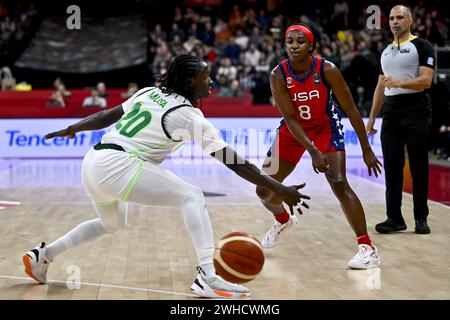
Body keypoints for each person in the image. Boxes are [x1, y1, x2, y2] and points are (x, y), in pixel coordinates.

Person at [23, 54, 310, 298]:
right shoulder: (188, 116)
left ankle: (44, 254)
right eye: (205, 77)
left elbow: (107, 116)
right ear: (189, 82)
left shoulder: (148, 92)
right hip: (119, 165)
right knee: (192, 196)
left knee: (113, 223)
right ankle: (207, 276)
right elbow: (235, 163)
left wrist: (74, 127)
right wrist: (279, 188)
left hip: (93, 162)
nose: (211, 81)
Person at [255, 24, 383, 269]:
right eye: (289, 41)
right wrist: (313, 150)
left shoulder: (328, 69)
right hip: (293, 130)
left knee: (338, 183)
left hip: (326, 127)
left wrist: (366, 148)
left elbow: (351, 109)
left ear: (311, 46)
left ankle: (367, 248)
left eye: (300, 41)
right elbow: (290, 118)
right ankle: (283, 220)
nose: (294, 45)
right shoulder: (277, 74)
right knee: (263, 189)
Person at [366, 5, 435, 234]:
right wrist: (373, 117)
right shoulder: (385, 51)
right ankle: (394, 218)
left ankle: (421, 218)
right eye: (392, 18)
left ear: (410, 20)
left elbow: (426, 81)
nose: (395, 21)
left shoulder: (422, 46)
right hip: (392, 112)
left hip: (416, 109)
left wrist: (400, 83)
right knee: (392, 167)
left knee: (418, 166)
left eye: (400, 17)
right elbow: (380, 85)